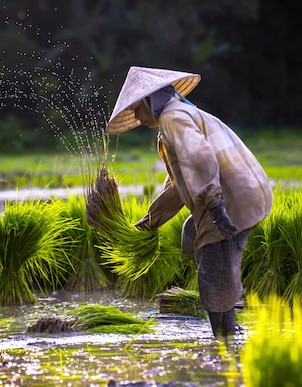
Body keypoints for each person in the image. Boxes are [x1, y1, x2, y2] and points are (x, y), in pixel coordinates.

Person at [106, 66, 273, 339]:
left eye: (137, 108)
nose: (135, 116)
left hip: (232, 201)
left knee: (214, 273)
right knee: (193, 232)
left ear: (150, 101)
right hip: (244, 194)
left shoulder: (174, 118)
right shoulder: (178, 117)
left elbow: (200, 158)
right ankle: (227, 318)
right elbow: (177, 185)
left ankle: (226, 338)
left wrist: (215, 205)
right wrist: (150, 222)